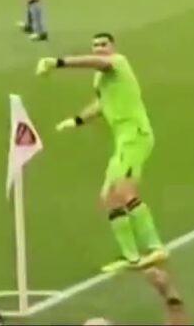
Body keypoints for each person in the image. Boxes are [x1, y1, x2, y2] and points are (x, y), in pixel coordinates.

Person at [36, 32, 166, 273]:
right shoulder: (100, 78)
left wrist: (58, 62)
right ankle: (132, 257)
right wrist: (76, 120)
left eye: (103, 44)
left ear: (113, 46)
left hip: (135, 135)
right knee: (108, 197)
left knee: (124, 191)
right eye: (95, 45)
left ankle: (155, 247)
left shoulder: (117, 62)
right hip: (123, 141)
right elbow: (101, 105)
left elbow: (98, 63)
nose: (99, 49)